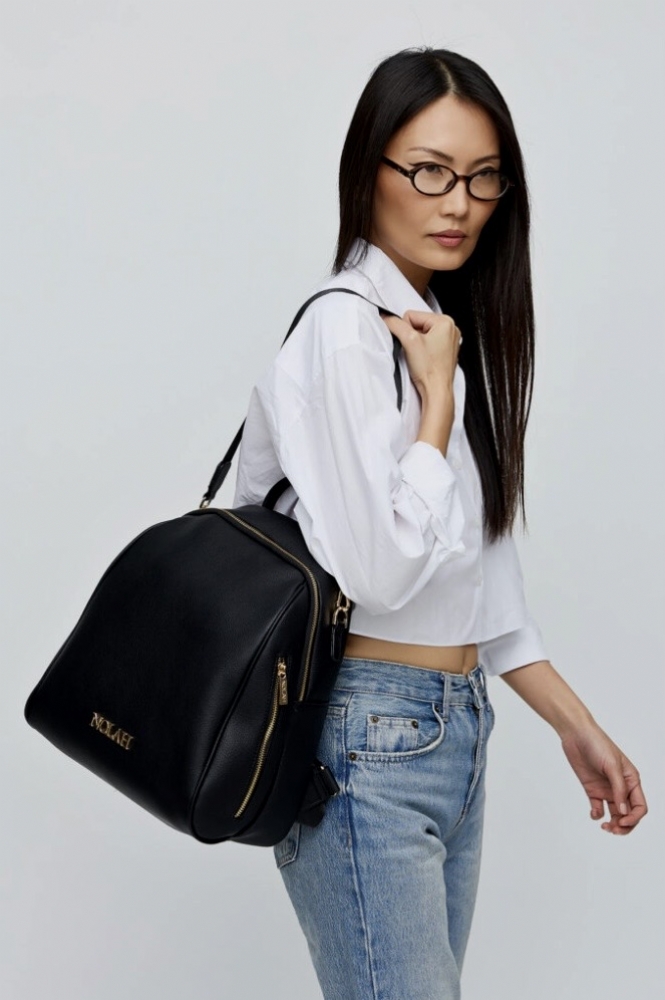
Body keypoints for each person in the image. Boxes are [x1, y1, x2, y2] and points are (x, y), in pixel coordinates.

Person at [231, 46, 647, 1000]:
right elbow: (378, 574)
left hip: (452, 728)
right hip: (365, 733)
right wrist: (435, 408)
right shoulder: (346, 329)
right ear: (368, 170)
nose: (457, 203)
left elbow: (480, 587)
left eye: (482, 177)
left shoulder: (433, 330)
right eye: (428, 171)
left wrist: (574, 727)